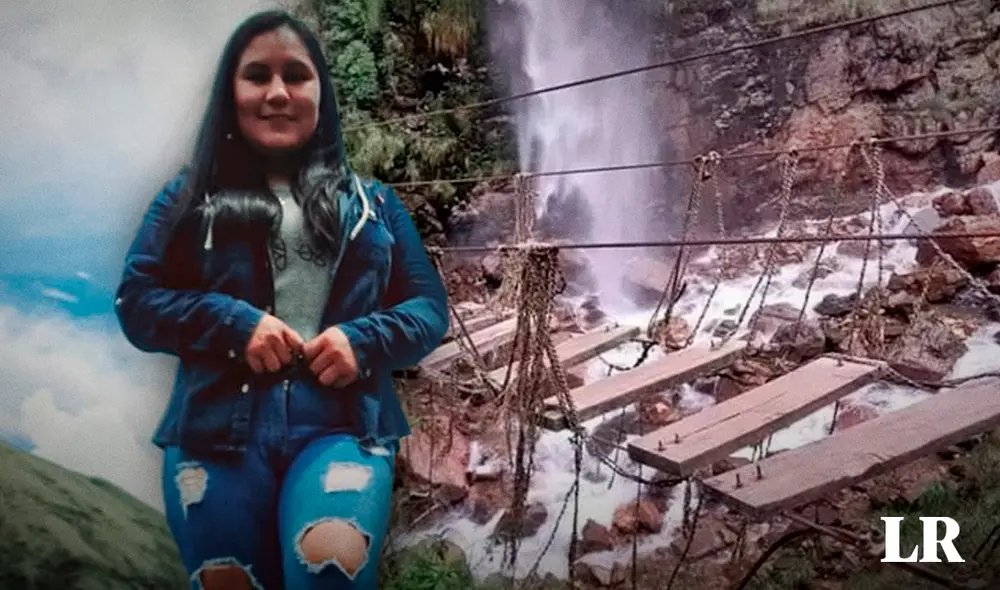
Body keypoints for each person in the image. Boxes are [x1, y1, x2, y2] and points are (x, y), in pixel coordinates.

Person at [113, 9, 449, 590]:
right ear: (231, 91)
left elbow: (428, 310)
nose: (276, 93)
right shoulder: (187, 198)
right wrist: (232, 323)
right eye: (257, 75)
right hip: (213, 435)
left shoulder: (374, 204)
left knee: (330, 574)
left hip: (343, 429)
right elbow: (137, 303)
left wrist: (362, 340)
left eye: (295, 75)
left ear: (321, 91)